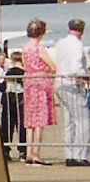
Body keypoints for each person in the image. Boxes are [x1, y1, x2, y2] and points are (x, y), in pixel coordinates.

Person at [53, 18, 90, 166]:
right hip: (71, 83)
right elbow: (76, 68)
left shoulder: (61, 43)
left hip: (60, 83)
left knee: (69, 121)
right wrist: (85, 76)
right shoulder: (77, 45)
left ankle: (69, 154)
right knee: (83, 120)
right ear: (82, 31)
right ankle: (80, 154)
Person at [22, 19, 58, 165]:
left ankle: (29, 152)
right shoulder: (39, 48)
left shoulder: (25, 48)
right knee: (39, 120)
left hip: (29, 82)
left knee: (30, 120)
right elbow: (52, 66)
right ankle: (36, 152)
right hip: (41, 83)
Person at [0, 51, 26, 160]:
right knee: (22, 126)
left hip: (7, 98)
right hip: (20, 98)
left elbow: (1, 87)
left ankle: (5, 150)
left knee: (7, 125)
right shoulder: (24, 73)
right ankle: (23, 150)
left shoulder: (6, 72)